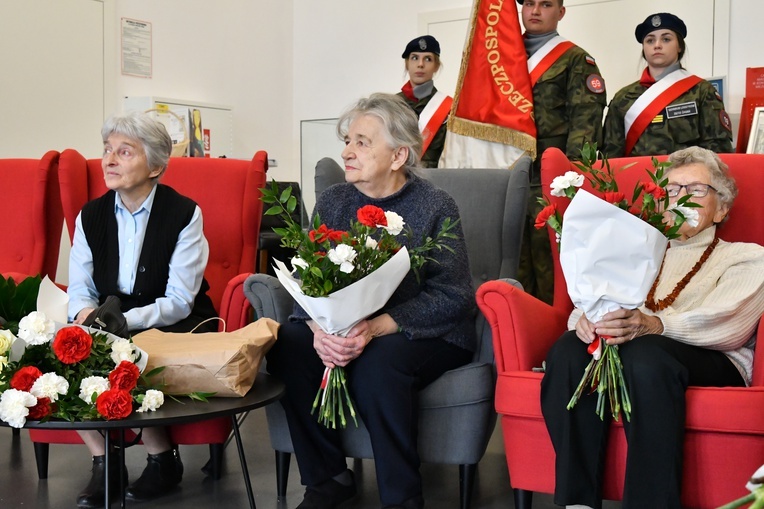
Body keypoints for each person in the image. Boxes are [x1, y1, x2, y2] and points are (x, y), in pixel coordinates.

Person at [266, 93, 476, 509]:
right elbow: (308, 280)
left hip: (422, 332)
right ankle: (328, 479)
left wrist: (377, 326)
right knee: (288, 346)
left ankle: (401, 497)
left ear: (398, 155)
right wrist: (317, 331)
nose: (347, 151)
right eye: (348, 140)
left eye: (362, 142)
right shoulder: (334, 202)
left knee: (379, 362)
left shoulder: (434, 205)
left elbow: (454, 295)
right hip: (343, 329)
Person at [540, 146, 764, 508]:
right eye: (671, 191)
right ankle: (576, 501)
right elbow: (597, 297)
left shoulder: (746, 255)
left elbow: (731, 323)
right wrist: (586, 321)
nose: (680, 199)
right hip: (634, 349)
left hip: (712, 357)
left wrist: (656, 324)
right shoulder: (639, 249)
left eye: (695, 190)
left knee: (644, 356)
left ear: (722, 207)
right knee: (568, 349)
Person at [68, 111, 218, 508]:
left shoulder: (185, 213)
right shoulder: (91, 215)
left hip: (173, 319)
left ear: (155, 165)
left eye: (124, 152)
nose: (109, 160)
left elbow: (179, 300)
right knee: (63, 350)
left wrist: (120, 323)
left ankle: (161, 459)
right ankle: (105, 461)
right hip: (106, 315)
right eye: (106, 150)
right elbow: (80, 286)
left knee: (127, 351)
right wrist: (84, 315)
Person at [515, 0, 607, 305]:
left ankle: (552, 336)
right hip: (507, 174)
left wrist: (568, 181)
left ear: (561, 13)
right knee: (513, 260)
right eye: (529, 3)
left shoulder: (575, 59)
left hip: (546, 179)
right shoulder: (502, 59)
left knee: (549, 264)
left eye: (546, 4)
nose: (535, 11)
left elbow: (585, 122)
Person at [603, 12, 734, 158]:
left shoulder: (701, 91)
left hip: (686, 179)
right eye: (650, 41)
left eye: (666, 39)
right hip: (636, 179)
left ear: (679, 46)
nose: (657, 45)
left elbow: (718, 152)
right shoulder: (623, 97)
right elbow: (611, 157)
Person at [396, 34, 452, 168]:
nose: (420, 64)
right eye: (414, 58)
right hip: (397, 181)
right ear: (407, 64)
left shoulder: (450, 108)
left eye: (428, 59)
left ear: (436, 66)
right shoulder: (391, 105)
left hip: (435, 181)